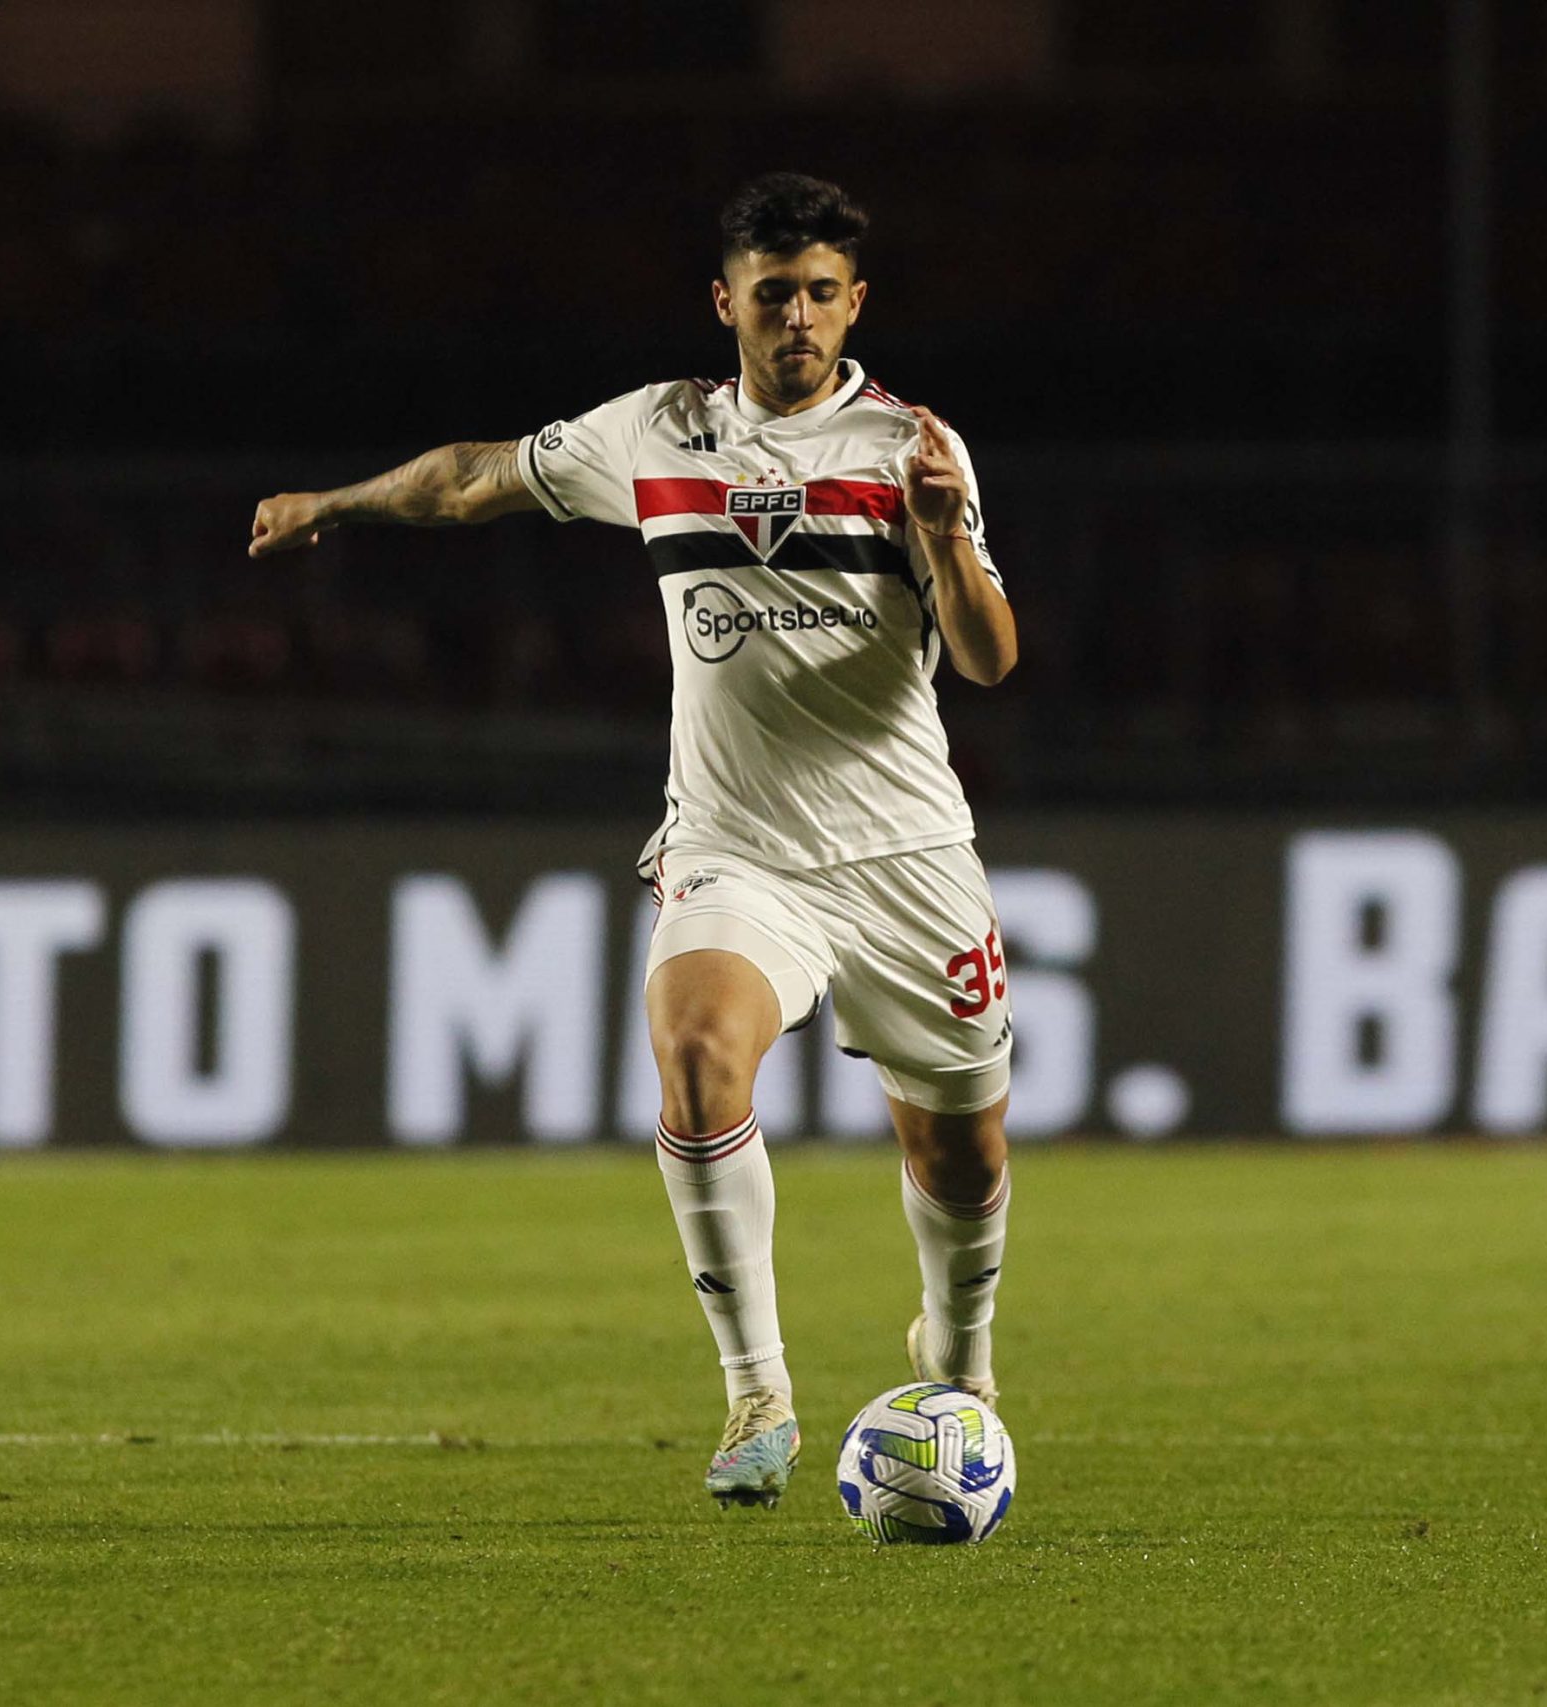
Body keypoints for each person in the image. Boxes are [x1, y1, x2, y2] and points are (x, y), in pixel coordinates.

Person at [250, 173, 1019, 1509]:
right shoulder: (658, 432)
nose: (795, 317)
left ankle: (957, 1364)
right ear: (726, 300)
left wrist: (948, 544)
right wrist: (340, 500)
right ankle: (756, 1390)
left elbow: (990, 657)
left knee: (961, 1154)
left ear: (855, 305)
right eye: (770, 292)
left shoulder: (913, 449)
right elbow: (477, 480)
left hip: (904, 853)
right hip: (737, 847)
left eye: (820, 293)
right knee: (698, 1052)